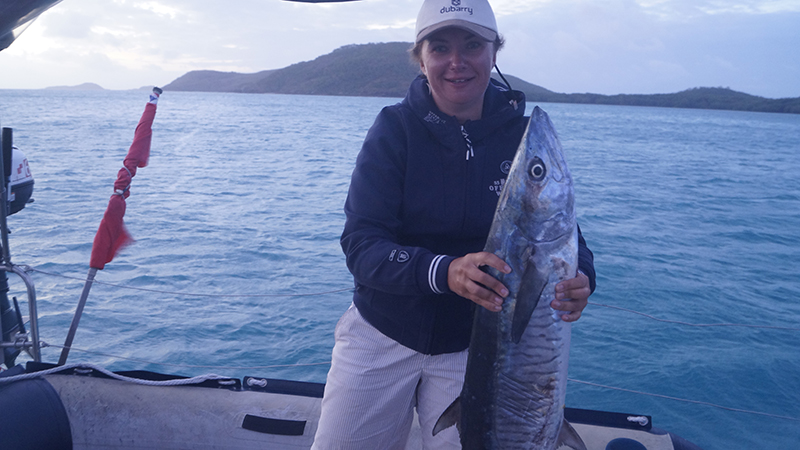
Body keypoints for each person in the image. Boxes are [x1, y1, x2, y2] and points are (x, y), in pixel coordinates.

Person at [312, 0, 596, 448]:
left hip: (479, 352)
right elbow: (362, 245)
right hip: (382, 332)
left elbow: (560, 238)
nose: (457, 61)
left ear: (494, 52)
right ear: (420, 58)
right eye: (440, 47)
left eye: (473, 45)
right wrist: (445, 271)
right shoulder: (395, 129)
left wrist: (582, 279)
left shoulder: (522, 141)